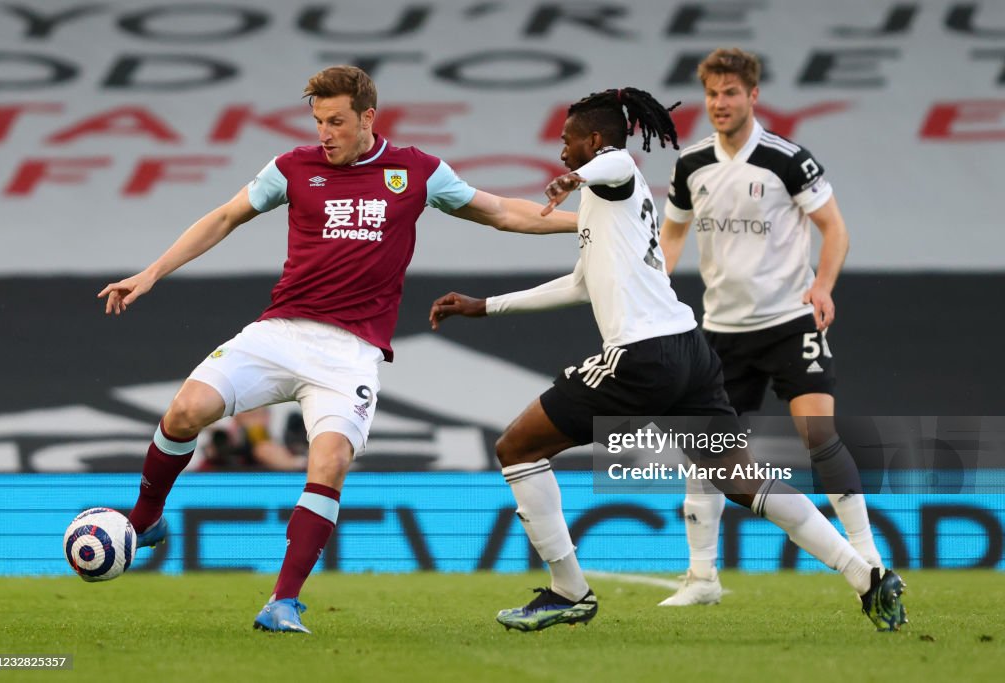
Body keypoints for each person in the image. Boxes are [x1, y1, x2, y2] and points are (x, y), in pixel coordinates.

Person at [97, 65, 576, 634]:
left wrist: (588, 225)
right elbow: (226, 216)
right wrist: (152, 273)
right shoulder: (292, 168)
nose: (325, 133)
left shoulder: (416, 171)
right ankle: (147, 519)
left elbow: (501, 212)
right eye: (319, 121)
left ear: (368, 117)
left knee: (328, 464)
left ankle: (282, 602)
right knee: (183, 411)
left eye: (338, 122)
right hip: (280, 331)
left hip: (350, 352)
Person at [429, 87, 906, 632]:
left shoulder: (616, 173)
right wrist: (485, 306)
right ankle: (865, 573)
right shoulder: (604, 204)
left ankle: (569, 591)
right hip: (691, 353)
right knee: (737, 477)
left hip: (642, 356)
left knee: (517, 446)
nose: (560, 153)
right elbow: (583, 283)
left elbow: (616, 162)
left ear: (594, 140)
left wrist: (576, 177)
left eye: (567, 143)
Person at [657, 47, 884, 606]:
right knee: (706, 449)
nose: (719, 103)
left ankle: (871, 563)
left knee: (818, 436)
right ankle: (703, 579)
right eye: (712, 94)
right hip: (721, 331)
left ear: (753, 96)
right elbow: (672, 237)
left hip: (787, 321)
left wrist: (823, 285)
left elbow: (834, 229)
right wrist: (653, 297)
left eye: (731, 93)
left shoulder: (788, 159)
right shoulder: (690, 164)